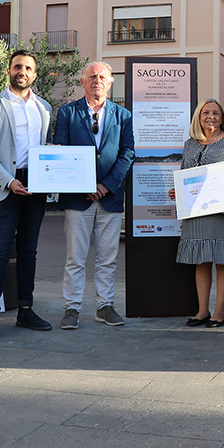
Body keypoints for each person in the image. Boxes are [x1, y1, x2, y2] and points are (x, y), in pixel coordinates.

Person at [0, 50, 53, 339]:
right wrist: (9, 182)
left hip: (36, 187)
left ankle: (25, 310)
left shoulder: (44, 108)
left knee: (29, 252)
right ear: (9, 71)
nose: (23, 71)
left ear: (34, 74)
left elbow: (45, 149)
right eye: (18, 67)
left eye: (28, 68)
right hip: (3, 187)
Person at [54, 61, 134, 329]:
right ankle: (71, 309)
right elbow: (62, 150)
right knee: (75, 258)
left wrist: (106, 185)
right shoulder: (67, 113)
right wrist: (84, 183)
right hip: (78, 198)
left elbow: (127, 153)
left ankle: (105, 306)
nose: (97, 80)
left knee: (107, 258)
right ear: (82, 82)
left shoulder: (123, 115)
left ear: (110, 82)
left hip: (110, 198)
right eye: (91, 76)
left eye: (102, 77)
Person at [170, 99, 224, 328]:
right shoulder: (190, 144)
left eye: (216, 113)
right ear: (198, 117)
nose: (211, 116)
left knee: (222, 260)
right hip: (195, 213)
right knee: (200, 261)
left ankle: (220, 312)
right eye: (206, 113)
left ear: (222, 118)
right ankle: (202, 311)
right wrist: (178, 193)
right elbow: (185, 175)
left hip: (222, 211)